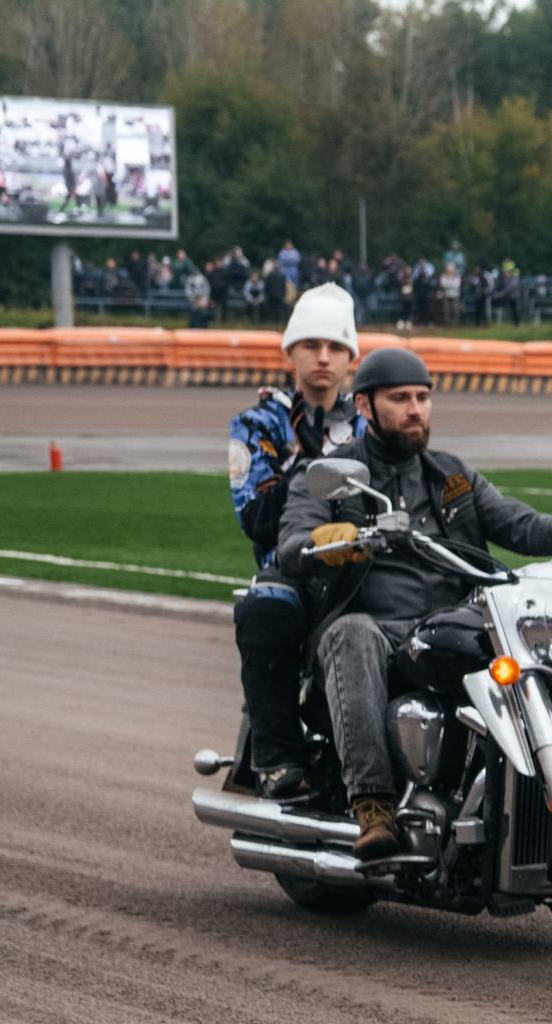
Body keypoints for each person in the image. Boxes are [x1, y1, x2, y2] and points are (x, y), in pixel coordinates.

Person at [276, 347, 552, 858]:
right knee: (352, 634)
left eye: (423, 397)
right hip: (378, 626)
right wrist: (333, 539)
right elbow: (291, 546)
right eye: (400, 399)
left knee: (541, 636)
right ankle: (373, 803)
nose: (416, 409)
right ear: (365, 407)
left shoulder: (449, 475)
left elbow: (518, 524)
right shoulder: (333, 475)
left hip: (452, 620)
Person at [228, 284, 362, 799]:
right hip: (290, 570)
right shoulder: (256, 424)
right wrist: (311, 469)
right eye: (311, 345)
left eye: (335, 347)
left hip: (360, 569)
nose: (323, 358)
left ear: (353, 357)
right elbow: (256, 519)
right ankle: (277, 757)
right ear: (290, 352)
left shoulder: (369, 419)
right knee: (265, 606)